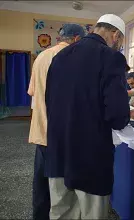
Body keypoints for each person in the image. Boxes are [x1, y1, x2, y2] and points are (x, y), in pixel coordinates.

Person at [45, 14, 134, 219]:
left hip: (58, 149)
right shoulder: (111, 57)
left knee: (61, 211)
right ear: (115, 35)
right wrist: (124, 118)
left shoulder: (60, 56)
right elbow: (116, 113)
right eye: (120, 41)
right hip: (90, 156)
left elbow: (49, 101)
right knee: (92, 213)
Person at [27, 24, 85, 220]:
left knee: (41, 184)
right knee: (62, 190)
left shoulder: (41, 57)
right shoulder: (73, 58)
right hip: (61, 134)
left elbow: (33, 95)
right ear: (77, 39)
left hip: (40, 130)